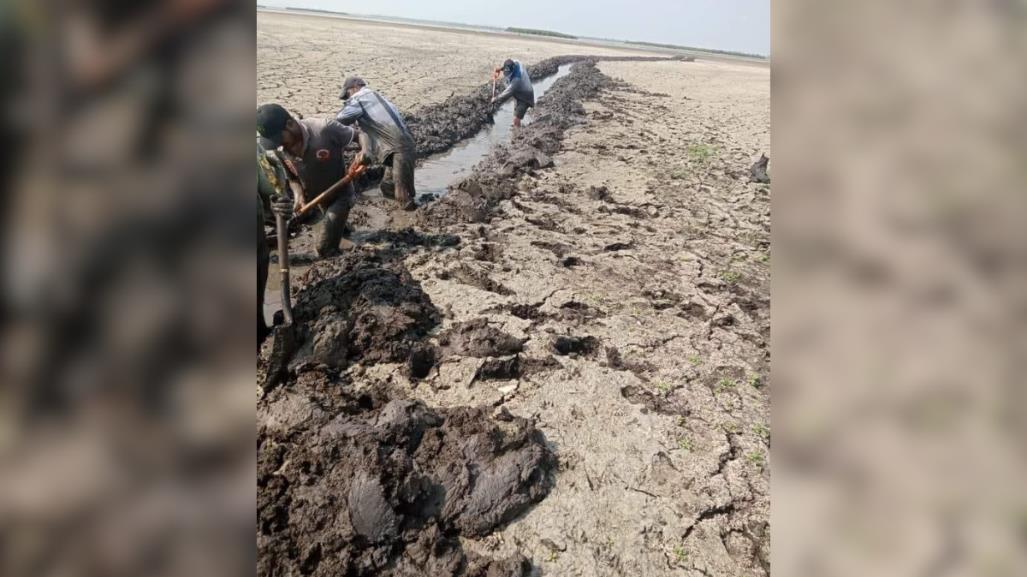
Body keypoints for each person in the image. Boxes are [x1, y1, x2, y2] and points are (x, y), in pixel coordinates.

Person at [257, 103, 356, 258]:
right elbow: (292, 178)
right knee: (335, 226)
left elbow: (359, 136)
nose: (279, 145)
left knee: (324, 249)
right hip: (318, 199)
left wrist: (365, 152)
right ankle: (345, 229)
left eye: (279, 138)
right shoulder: (280, 150)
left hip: (341, 193)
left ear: (290, 124)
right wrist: (299, 195)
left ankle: (339, 248)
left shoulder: (323, 129)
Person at [336, 76, 418, 210]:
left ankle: (410, 218)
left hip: (398, 147)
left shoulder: (359, 98)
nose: (348, 98)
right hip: (403, 144)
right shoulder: (377, 96)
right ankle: (401, 210)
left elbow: (341, 118)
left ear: (355, 88)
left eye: (348, 94)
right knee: (387, 186)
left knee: (401, 191)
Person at [492, 59, 535, 127]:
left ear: (513, 69)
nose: (507, 75)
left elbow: (508, 92)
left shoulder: (517, 79)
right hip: (518, 93)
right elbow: (507, 66)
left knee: (516, 119)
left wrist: (496, 99)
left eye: (509, 74)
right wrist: (500, 69)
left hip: (525, 96)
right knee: (516, 115)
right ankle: (517, 127)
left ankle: (517, 134)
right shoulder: (515, 62)